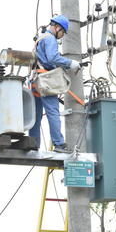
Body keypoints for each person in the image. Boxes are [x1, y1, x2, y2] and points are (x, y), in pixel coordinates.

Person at [29, 15, 81, 153]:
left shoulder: (40, 39)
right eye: (62, 32)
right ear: (57, 27)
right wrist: (70, 63)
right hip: (46, 81)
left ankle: (33, 144)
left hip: (35, 80)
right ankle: (59, 144)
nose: (61, 36)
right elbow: (53, 57)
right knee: (53, 112)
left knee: (35, 114)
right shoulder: (50, 38)